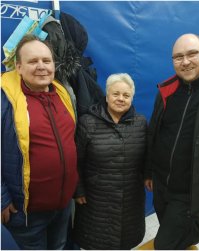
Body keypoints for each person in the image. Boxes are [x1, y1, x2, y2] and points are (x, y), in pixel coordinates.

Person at [144, 33, 199, 249]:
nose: (185, 62)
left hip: (190, 191)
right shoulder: (166, 91)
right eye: (178, 57)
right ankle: (193, 228)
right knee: (176, 237)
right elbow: (154, 134)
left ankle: (197, 221)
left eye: (192, 54)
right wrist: (148, 171)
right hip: (163, 186)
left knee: (163, 245)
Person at [1, 34, 78, 249]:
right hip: (26, 216)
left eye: (46, 60)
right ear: (18, 67)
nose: (41, 67)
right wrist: (1, 198)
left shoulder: (64, 93)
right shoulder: (3, 100)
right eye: (33, 61)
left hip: (62, 208)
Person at [73, 73, 147, 249]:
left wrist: (149, 174)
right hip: (96, 200)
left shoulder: (141, 123)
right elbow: (76, 161)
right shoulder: (87, 122)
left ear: (131, 98)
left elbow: (148, 157)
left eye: (126, 95)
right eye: (116, 94)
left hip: (130, 200)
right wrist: (78, 190)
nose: (120, 99)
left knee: (125, 243)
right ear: (107, 95)